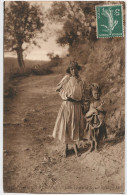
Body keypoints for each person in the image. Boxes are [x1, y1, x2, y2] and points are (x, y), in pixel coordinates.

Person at [53, 61, 85, 157]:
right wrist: (65, 95)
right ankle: (65, 148)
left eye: (75, 68)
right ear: (69, 70)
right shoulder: (66, 78)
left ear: (78, 70)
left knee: (74, 126)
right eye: (72, 69)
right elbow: (57, 88)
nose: (73, 70)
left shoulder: (80, 80)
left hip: (76, 106)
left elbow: (82, 93)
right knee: (66, 126)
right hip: (67, 105)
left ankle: (75, 147)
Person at [84, 83, 107, 151]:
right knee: (91, 133)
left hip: (99, 120)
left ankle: (96, 145)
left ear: (100, 93)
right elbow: (89, 111)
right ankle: (92, 145)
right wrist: (92, 111)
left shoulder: (101, 101)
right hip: (92, 120)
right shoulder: (91, 102)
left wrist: (98, 110)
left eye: (98, 93)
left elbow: (103, 110)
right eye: (95, 94)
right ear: (92, 94)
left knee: (98, 133)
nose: (96, 95)